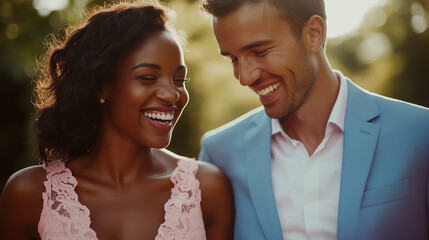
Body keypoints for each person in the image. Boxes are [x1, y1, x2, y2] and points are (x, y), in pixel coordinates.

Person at [0, 1, 234, 239]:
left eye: (179, 80)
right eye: (148, 77)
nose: (173, 94)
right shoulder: (29, 193)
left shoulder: (207, 189)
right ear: (101, 86)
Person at [198, 0, 429, 239]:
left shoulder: (421, 133)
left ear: (313, 34)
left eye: (260, 51)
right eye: (233, 59)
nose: (244, 77)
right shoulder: (219, 154)